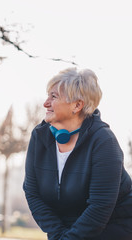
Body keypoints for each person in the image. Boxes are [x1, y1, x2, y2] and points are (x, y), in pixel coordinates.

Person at [23, 68, 132, 240]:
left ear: (77, 105)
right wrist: (58, 234)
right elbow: (32, 193)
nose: (45, 103)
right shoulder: (39, 136)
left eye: (54, 96)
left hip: (111, 229)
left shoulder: (104, 141)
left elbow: (100, 207)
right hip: (64, 232)